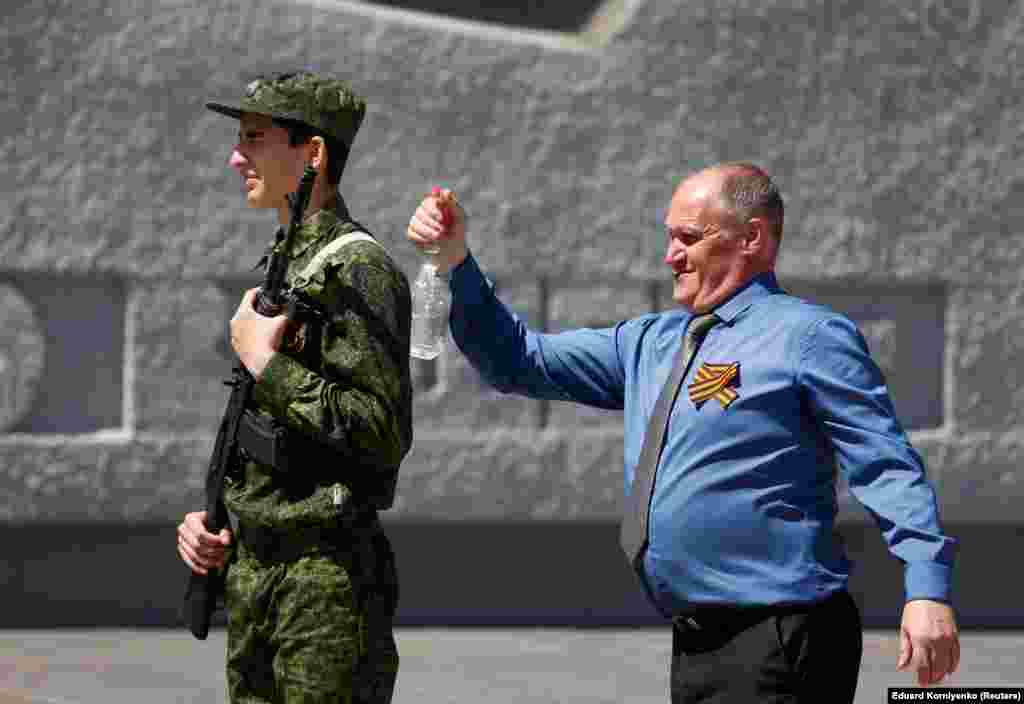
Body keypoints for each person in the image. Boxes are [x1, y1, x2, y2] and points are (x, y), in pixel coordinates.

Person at [406, 162, 959, 703]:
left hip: (780, 636)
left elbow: (884, 462)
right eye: (669, 237)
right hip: (697, 643)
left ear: (752, 238)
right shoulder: (651, 342)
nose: (670, 255)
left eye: (688, 238)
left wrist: (926, 589)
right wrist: (458, 262)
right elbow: (518, 360)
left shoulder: (807, 336)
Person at [176, 70, 413, 703]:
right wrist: (213, 518)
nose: (235, 157)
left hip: (324, 583)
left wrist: (267, 364)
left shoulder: (358, 268)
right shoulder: (289, 259)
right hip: (256, 569)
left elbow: (382, 431)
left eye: (255, 138)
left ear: (313, 154)